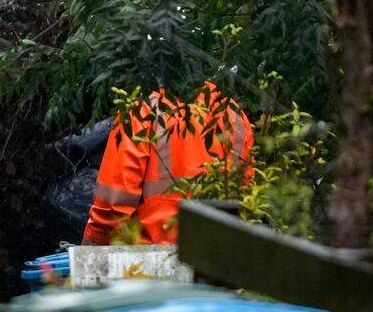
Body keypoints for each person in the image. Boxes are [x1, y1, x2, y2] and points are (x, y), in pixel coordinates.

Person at [83, 81, 253, 245]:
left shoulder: (142, 107)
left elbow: (112, 207)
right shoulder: (233, 113)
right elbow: (244, 201)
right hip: (214, 256)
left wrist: (88, 261)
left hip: (151, 261)